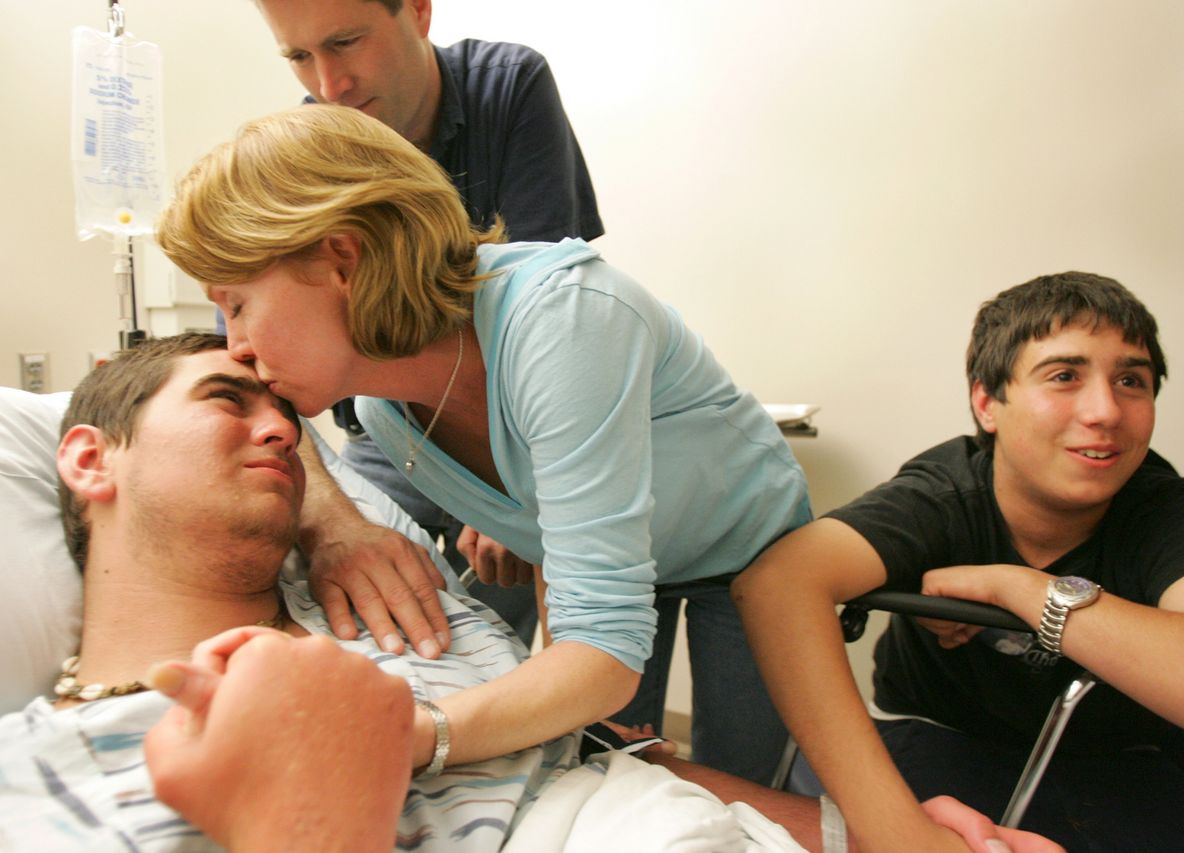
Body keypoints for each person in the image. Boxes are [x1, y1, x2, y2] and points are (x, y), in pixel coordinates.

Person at [0, 332, 965, 853]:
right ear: (90, 459)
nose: (279, 428)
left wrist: (867, 831)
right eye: (229, 402)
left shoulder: (394, 608)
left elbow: (586, 766)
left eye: (287, 412)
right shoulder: (10, 796)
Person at [155, 103, 807, 784]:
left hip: (749, 553)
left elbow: (604, 652)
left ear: (341, 259)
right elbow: (582, 607)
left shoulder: (566, 319)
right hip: (622, 570)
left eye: (236, 304)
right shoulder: (385, 413)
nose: (237, 347)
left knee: (744, 779)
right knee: (620, 756)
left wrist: (404, 734)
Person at [733, 272, 1184, 851]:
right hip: (937, 742)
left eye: (1131, 381)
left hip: (1121, 767)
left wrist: (1018, 588)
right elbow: (776, 584)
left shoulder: (1160, 508)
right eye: (1065, 376)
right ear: (987, 402)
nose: (1106, 411)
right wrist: (899, 833)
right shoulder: (942, 494)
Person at [245, 0, 604, 654]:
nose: (329, 86)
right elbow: (254, 375)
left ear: (417, 10)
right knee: (347, 602)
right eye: (298, 57)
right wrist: (329, 522)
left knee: (520, 629)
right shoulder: (300, 154)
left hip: (508, 416)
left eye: (347, 42)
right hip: (388, 431)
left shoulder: (508, 87)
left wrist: (513, 484)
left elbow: (553, 307)